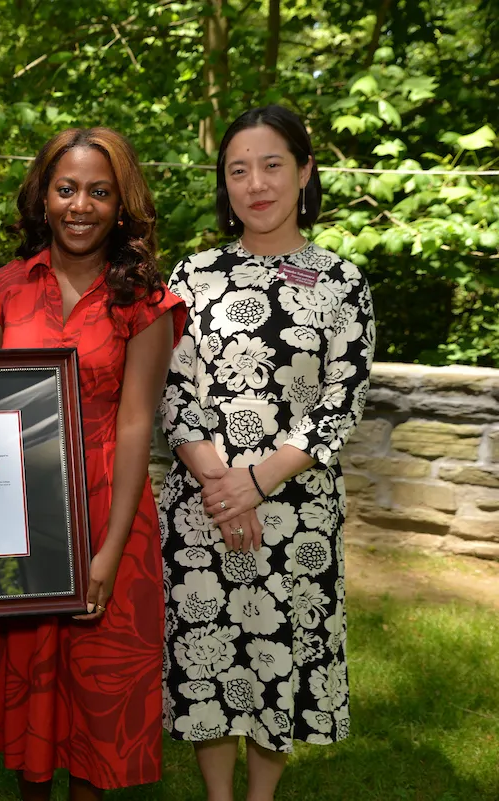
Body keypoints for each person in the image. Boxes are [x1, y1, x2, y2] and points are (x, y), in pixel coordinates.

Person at [0, 128, 185, 800]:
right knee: (29, 700)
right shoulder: (4, 292)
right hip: (17, 508)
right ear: (43, 195)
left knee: (96, 706)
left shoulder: (147, 302)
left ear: (121, 203)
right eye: (68, 188)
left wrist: (107, 552)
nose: (82, 205)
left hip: (113, 508)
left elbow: (139, 420)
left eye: (100, 191)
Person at [158, 104, 375, 801]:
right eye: (239, 169)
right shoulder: (193, 276)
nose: (256, 183)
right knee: (210, 659)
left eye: (272, 164)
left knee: (278, 654)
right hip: (203, 506)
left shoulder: (341, 282)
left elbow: (341, 401)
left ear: (305, 171)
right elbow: (172, 391)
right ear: (224, 184)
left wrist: (257, 482)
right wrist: (222, 487)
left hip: (295, 509)